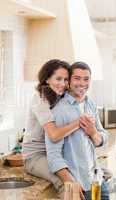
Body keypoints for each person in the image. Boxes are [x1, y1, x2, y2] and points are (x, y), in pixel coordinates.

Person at [45, 61, 110, 200]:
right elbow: (53, 156)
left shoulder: (89, 103)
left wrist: (94, 134)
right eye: (77, 78)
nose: (82, 83)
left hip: (97, 180)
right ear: (68, 81)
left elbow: (103, 137)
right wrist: (72, 182)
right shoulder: (59, 110)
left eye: (86, 79)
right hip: (79, 185)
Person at [22, 59, 85, 191]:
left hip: (56, 154)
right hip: (36, 157)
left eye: (66, 79)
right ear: (47, 79)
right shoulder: (40, 99)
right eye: (58, 79)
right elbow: (54, 135)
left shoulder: (58, 96)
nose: (63, 84)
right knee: (66, 182)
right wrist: (80, 122)